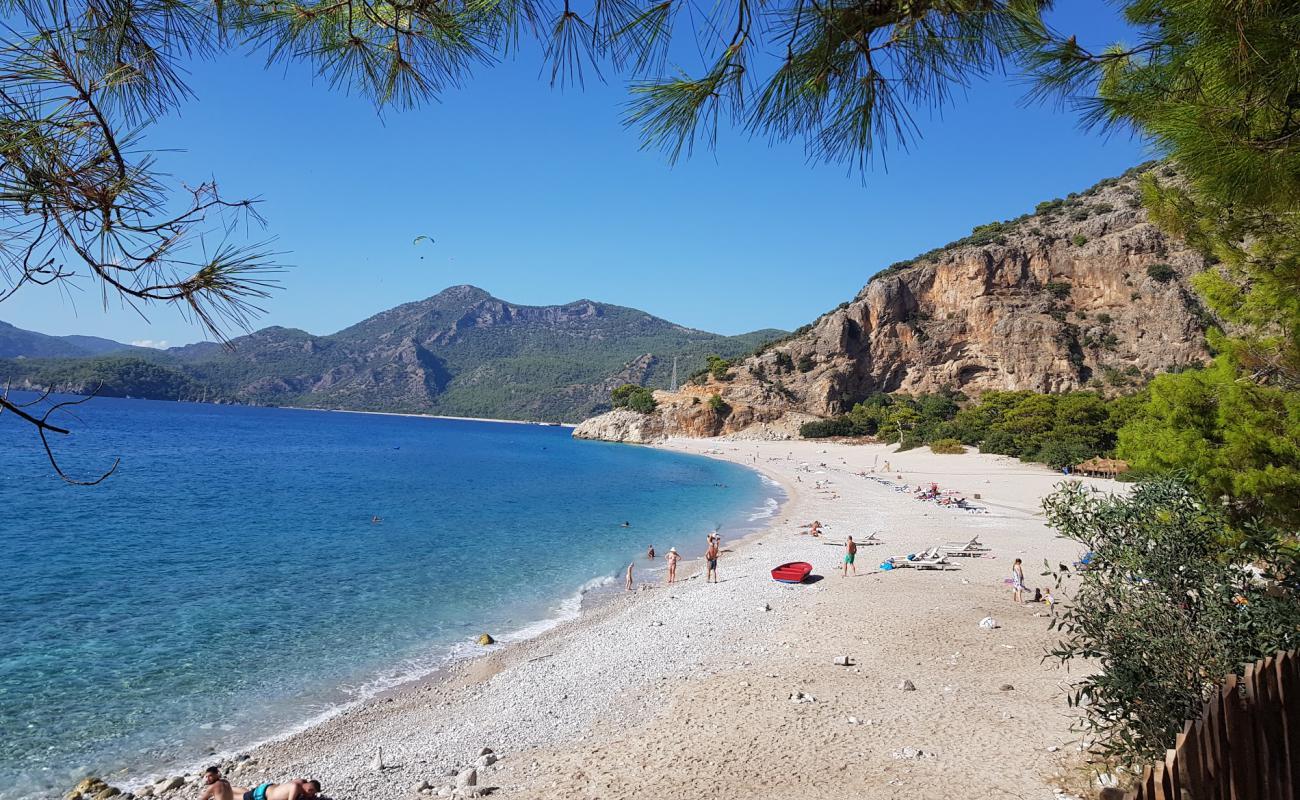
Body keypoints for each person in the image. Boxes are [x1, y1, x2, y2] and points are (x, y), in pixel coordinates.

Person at [234, 780, 322, 800]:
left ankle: (228, 787)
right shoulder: (295, 788)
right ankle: (223, 790)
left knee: (246, 792)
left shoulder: (300, 781)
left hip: (267, 788)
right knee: (235, 798)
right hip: (261, 795)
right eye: (312, 793)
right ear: (309, 789)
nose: (313, 796)